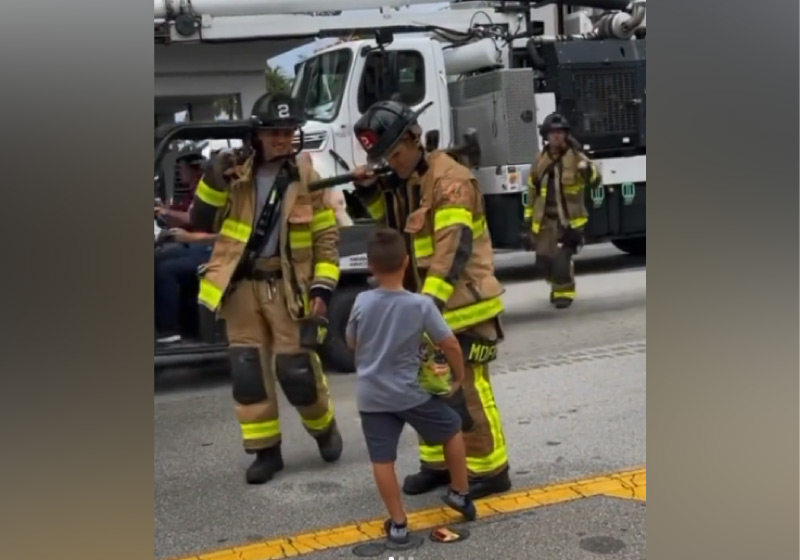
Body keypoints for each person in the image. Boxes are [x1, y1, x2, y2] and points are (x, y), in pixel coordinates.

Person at [349, 99, 512, 500]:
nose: (392, 162)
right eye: (384, 157)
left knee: (467, 389)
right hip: (426, 306)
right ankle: (439, 465)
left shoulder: (450, 180)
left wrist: (423, 310)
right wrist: (368, 189)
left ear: (414, 137)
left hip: (462, 306)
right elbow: (393, 226)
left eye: (396, 153)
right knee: (429, 387)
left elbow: (451, 252)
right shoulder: (406, 182)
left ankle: (490, 470)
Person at [188, 91, 343, 484]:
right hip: (242, 289)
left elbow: (326, 239)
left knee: (296, 370)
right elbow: (201, 220)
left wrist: (322, 289)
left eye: (288, 131)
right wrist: (212, 179)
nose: (282, 139)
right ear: (256, 135)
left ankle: (323, 428)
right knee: (248, 372)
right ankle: (265, 451)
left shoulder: (307, 177)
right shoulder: (233, 175)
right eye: (274, 131)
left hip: (288, 289)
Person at [346, 228, 476, 547]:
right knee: (451, 428)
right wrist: (457, 377)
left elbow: (351, 342)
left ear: (370, 266)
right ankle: (460, 493)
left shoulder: (362, 301)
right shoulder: (420, 305)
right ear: (406, 262)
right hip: (409, 393)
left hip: (371, 396)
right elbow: (449, 343)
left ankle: (399, 525)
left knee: (382, 460)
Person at [522, 112, 602, 309]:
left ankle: (563, 293)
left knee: (561, 259)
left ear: (566, 134)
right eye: (553, 132)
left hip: (568, 221)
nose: (556, 136)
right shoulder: (540, 160)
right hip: (544, 220)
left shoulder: (577, 158)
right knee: (543, 260)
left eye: (560, 132)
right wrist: (528, 220)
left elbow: (595, 181)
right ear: (546, 136)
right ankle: (556, 281)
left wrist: (587, 172)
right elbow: (532, 191)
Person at [154, 150, 216, 344]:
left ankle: (169, 331)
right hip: (200, 244)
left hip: (212, 250)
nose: (180, 174)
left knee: (165, 269)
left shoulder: (210, 193)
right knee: (157, 257)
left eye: (182, 169)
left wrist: (188, 236)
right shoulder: (197, 192)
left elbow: (193, 219)